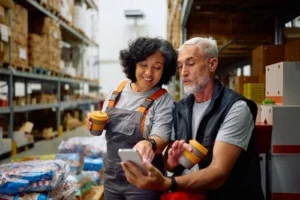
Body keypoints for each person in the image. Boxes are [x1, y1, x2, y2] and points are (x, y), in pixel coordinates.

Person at [121, 37, 265, 200]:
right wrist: (173, 161)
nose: (183, 73)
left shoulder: (235, 107)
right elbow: (169, 163)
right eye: (180, 66)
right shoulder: (180, 108)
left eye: (190, 63)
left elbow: (219, 173)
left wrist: (168, 183)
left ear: (212, 64)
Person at [86, 37, 177, 200]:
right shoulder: (118, 90)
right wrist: (93, 123)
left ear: (165, 71)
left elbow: (161, 138)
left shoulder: (163, 100)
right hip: (111, 178)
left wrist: (149, 143)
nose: (149, 73)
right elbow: (100, 127)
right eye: (143, 65)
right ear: (133, 64)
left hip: (144, 181)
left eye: (157, 67)